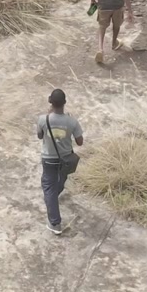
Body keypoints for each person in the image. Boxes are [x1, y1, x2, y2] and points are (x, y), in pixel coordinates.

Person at [35, 88, 84, 236]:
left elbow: (39, 136)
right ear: (65, 102)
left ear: (50, 102)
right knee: (60, 180)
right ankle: (52, 199)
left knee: (49, 187)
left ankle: (55, 223)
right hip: (66, 159)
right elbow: (80, 142)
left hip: (49, 159)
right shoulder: (72, 121)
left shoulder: (43, 119)